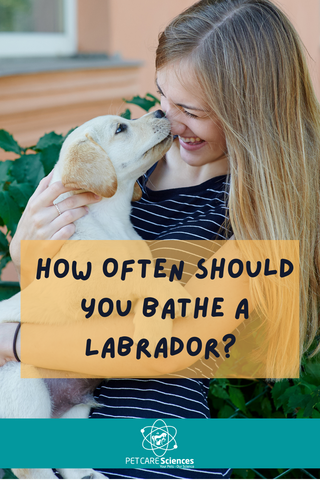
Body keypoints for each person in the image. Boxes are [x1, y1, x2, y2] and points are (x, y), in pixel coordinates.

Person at [1, 0, 320, 477]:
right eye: (162, 98)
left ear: (249, 112)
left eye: (191, 111)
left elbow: (173, 347)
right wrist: (26, 254)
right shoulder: (126, 161)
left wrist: (14, 339)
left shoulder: (258, 210)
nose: (168, 121)